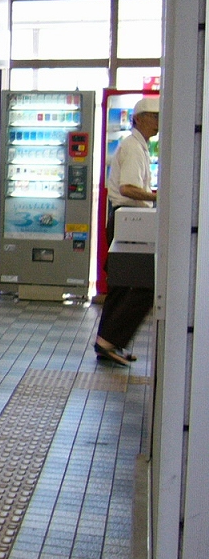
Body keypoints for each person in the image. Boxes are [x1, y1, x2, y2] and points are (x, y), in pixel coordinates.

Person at [95, 95, 159, 365]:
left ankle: (107, 342)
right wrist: (157, 197)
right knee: (144, 285)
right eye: (154, 117)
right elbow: (128, 188)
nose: (158, 122)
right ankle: (110, 340)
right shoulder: (133, 147)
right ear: (139, 119)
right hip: (129, 220)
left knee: (121, 285)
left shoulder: (139, 146)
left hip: (127, 220)